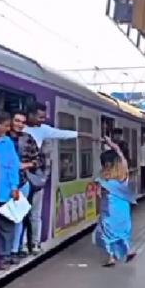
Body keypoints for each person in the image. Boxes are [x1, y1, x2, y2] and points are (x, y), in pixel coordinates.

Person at [22, 102, 90, 254]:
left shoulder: (43, 130)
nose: (42, 120)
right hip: (21, 179)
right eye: (40, 117)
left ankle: (34, 243)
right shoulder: (21, 130)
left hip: (36, 178)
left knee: (35, 213)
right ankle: (23, 245)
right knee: (21, 213)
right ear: (30, 115)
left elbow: (63, 133)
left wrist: (86, 136)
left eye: (44, 117)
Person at [94, 137, 137, 267]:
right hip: (123, 207)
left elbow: (98, 195)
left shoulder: (103, 178)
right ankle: (129, 251)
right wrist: (112, 144)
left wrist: (98, 210)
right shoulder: (124, 173)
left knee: (107, 234)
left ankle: (111, 258)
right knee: (122, 232)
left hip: (109, 209)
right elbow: (120, 154)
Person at [0, 110, 22, 269]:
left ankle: (4, 255)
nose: (8, 128)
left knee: (6, 225)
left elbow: (13, 166)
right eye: (6, 125)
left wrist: (14, 187)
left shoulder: (7, 142)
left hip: (4, 192)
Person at [8, 111, 39, 260]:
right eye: (17, 121)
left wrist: (24, 165)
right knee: (7, 219)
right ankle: (10, 249)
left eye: (22, 122)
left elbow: (37, 161)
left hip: (22, 182)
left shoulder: (28, 139)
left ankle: (16, 249)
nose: (19, 124)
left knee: (18, 217)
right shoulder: (3, 138)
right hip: (5, 184)